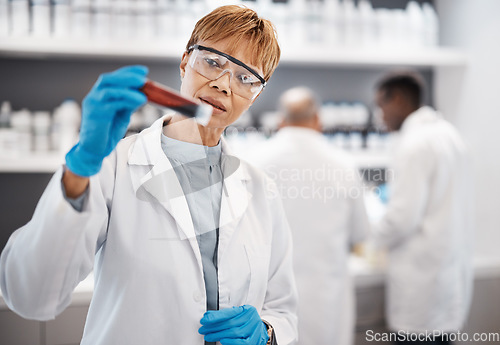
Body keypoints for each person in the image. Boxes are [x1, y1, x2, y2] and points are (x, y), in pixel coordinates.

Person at [0, 6, 297, 345]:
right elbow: (31, 296)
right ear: (185, 61)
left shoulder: (261, 189)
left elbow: (283, 308)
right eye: (213, 62)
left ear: (257, 94)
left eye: (246, 78)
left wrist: (268, 334)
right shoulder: (113, 167)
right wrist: (80, 167)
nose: (223, 85)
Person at [247, 87, 369, 345]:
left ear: (281, 121)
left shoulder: (253, 160)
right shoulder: (342, 163)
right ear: (317, 119)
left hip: (268, 299)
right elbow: (361, 233)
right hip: (324, 296)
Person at [371, 72, 474, 344]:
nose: (380, 116)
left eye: (381, 106)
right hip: (449, 280)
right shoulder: (450, 135)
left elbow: (402, 219)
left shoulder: (413, 144)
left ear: (399, 99)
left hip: (422, 289)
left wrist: (370, 238)